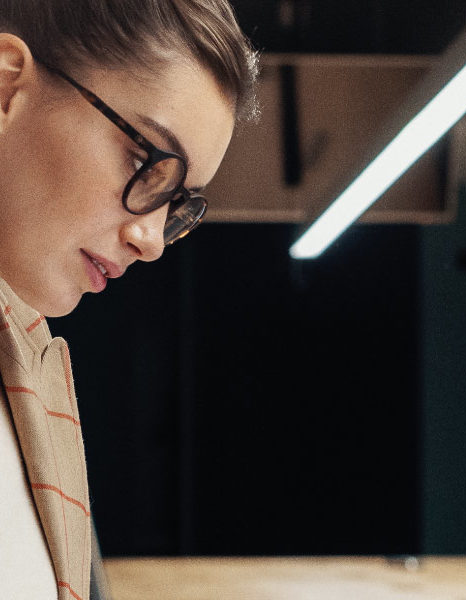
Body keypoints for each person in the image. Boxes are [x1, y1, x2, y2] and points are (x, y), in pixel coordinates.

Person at [0, 1, 258, 598]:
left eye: (178, 204)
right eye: (146, 161)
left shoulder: (31, 370)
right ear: (8, 85)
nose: (151, 240)